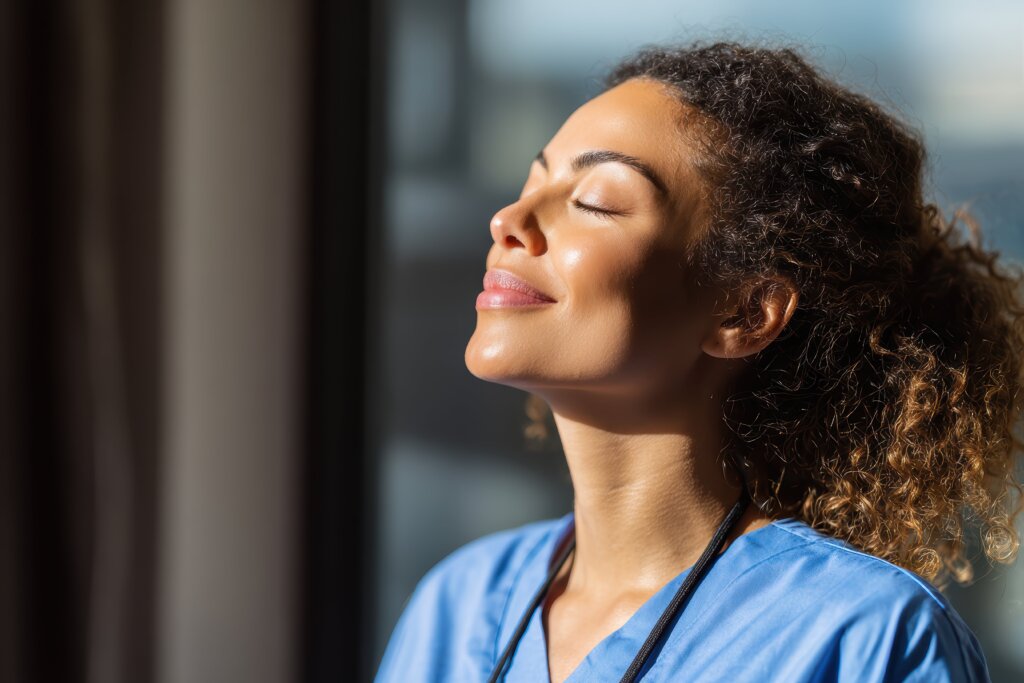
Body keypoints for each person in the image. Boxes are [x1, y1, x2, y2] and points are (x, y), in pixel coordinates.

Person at [374, 41, 1024, 682]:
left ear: (744, 311)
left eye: (595, 201)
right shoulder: (459, 605)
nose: (508, 220)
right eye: (532, 181)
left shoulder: (865, 638)